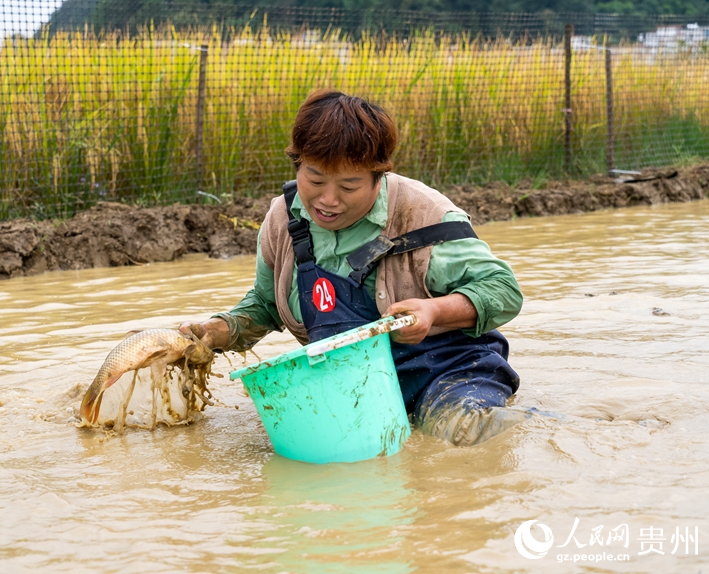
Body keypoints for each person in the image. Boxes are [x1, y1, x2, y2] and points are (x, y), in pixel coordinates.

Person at [181, 89, 529, 446]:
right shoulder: (283, 220)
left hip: (449, 373)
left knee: (463, 434)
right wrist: (215, 332)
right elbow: (268, 304)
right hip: (353, 386)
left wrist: (433, 311)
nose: (328, 199)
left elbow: (502, 290)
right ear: (298, 163)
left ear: (379, 176)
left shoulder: (424, 215)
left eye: (349, 185)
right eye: (315, 179)